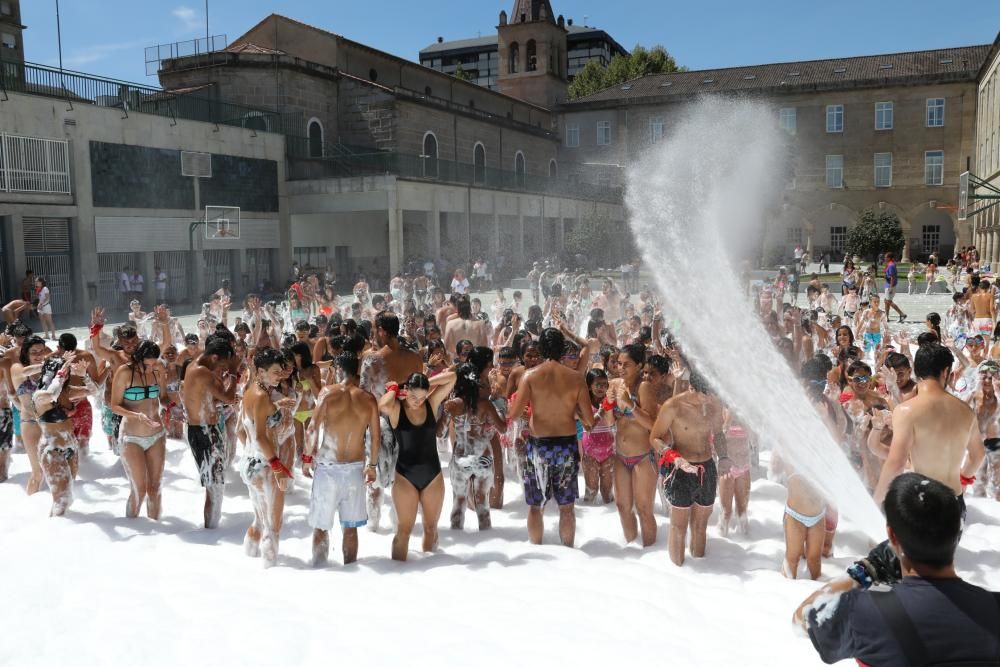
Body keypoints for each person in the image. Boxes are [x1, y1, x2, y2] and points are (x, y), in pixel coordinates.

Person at [794, 473, 1000, 665]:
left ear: (892, 537)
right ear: (957, 533)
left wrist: (864, 570)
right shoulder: (994, 608)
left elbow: (803, 618)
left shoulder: (865, 611)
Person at [508, 328, 596, 547]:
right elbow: (590, 421)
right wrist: (571, 411)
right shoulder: (576, 378)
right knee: (567, 506)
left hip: (538, 447)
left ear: (542, 349)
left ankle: (536, 552)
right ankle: (569, 552)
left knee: (536, 505)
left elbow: (513, 413)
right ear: (562, 349)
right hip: (566, 446)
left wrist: (531, 413)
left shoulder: (530, 376)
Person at [873, 343, 985, 507]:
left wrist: (876, 501)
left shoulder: (906, 411)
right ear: (946, 371)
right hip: (955, 501)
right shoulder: (966, 411)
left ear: (915, 371)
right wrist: (963, 478)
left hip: (924, 501)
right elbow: (977, 456)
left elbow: (896, 464)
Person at [302, 351, 380, 566]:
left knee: (321, 526)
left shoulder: (328, 393)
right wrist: (372, 466)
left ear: (337, 370)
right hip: (355, 469)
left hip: (328, 468)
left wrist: (307, 458)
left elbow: (311, 430)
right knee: (350, 528)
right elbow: (375, 438)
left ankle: (319, 569)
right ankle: (350, 574)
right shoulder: (368, 399)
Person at [649, 371, 726, 566]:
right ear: (691, 387)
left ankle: (699, 572)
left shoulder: (714, 403)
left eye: (711, 394)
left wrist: (724, 457)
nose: (708, 399)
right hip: (681, 469)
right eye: (704, 395)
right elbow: (655, 438)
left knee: (701, 525)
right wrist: (673, 457)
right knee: (678, 526)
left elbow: (718, 434)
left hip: (707, 468)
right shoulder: (673, 406)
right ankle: (677, 574)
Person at [379, 370, 456, 561]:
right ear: (406, 390)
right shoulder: (397, 408)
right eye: (413, 396)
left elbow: (452, 378)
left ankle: (426, 580)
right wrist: (394, 388)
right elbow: (383, 405)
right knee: (404, 531)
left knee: (431, 528)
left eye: (422, 397)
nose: (417, 401)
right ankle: (399, 578)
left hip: (433, 475)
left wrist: (425, 382)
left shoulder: (430, 403)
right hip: (406, 476)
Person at [360, 312, 424, 531]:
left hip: (379, 423)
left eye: (374, 330)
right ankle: (401, 529)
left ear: (382, 331)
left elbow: (363, 396)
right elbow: (421, 395)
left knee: (374, 480)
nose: (372, 335)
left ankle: (373, 529)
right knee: (402, 479)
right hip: (407, 423)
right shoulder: (415, 358)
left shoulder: (372, 360)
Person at [240, 348, 295, 567]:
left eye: (280, 371)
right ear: (260, 372)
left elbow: (255, 419)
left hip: (250, 463)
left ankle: (250, 556)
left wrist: (278, 405)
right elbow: (262, 437)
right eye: (274, 372)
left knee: (259, 520)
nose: (279, 375)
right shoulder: (262, 396)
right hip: (265, 465)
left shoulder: (252, 390)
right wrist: (278, 466)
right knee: (274, 526)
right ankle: (270, 573)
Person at [181, 337, 238, 528]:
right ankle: (211, 532)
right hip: (203, 432)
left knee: (216, 485)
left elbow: (213, 398)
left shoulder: (196, 365)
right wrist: (236, 375)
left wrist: (222, 381)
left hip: (205, 430)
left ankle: (212, 531)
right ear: (214, 357)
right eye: (223, 364)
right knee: (215, 487)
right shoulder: (202, 373)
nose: (225, 368)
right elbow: (229, 398)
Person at [111, 340, 166, 519]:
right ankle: (133, 531)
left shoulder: (158, 370)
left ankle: (157, 534)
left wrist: (174, 406)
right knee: (139, 490)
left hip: (157, 435)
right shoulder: (124, 372)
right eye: (147, 364)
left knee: (155, 488)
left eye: (153, 363)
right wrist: (137, 416)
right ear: (138, 359)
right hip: (131, 437)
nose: (150, 368)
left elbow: (163, 397)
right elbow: (115, 406)